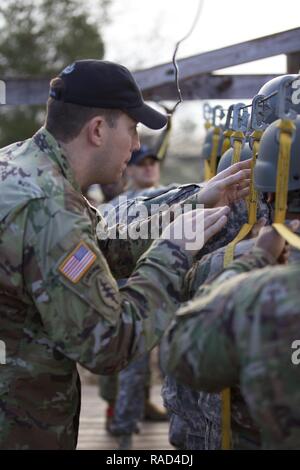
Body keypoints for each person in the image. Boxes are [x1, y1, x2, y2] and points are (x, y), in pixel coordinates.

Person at [0, 59, 250, 449]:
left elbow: (99, 246)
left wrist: (194, 201)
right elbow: (108, 342)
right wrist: (173, 252)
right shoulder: (49, 207)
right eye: (133, 130)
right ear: (98, 129)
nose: (136, 146)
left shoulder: (22, 166)